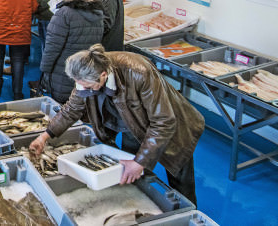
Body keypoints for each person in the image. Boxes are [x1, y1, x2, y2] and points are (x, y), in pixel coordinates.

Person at [29, 45, 204, 204]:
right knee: (134, 173)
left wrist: (140, 162)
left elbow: (164, 121)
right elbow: (72, 109)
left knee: (180, 179)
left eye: (89, 86)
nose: (84, 89)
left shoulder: (139, 72)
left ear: (103, 75)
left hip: (175, 127)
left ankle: (190, 216)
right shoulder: (86, 75)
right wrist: (45, 136)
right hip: (132, 124)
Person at [39, 0, 104, 103]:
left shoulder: (64, 14)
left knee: (61, 110)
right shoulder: (98, 14)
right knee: (77, 106)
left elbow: (52, 47)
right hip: (85, 71)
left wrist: (44, 71)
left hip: (63, 71)